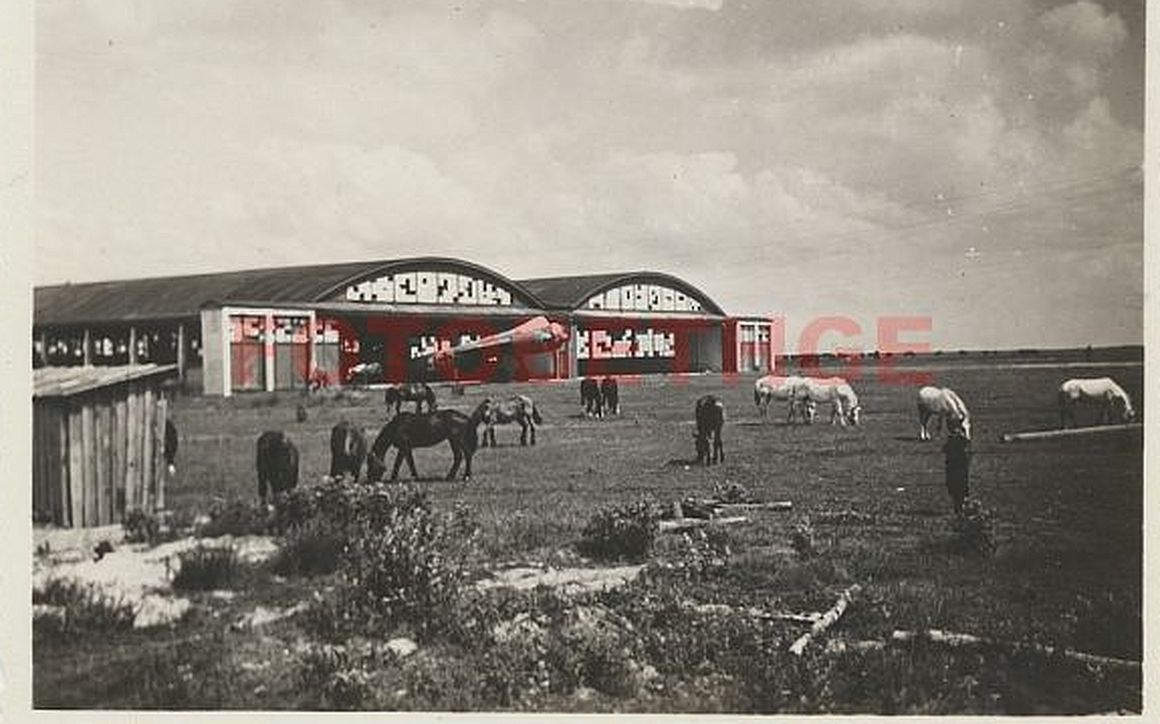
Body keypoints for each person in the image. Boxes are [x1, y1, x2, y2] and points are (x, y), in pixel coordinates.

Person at [943, 427, 972, 514]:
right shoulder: (963, 442)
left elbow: (945, 450)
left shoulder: (953, 441)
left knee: (956, 487)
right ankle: (961, 504)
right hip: (958, 468)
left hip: (955, 468)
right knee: (959, 487)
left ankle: (960, 505)